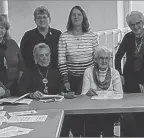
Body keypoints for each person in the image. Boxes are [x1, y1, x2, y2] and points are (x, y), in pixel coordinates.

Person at [114, 11, 144, 137]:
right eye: (132, 24)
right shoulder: (128, 37)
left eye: (138, 23)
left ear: (143, 22)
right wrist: (119, 74)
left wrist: (143, 83)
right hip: (129, 78)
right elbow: (118, 57)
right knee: (130, 110)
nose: (135, 27)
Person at [58, 5, 98, 137]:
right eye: (73, 15)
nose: (76, 17)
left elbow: (96, 58)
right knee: (74, 111)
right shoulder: (64, 37)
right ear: (70, 18)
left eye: (79, 14)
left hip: (88, 77)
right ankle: (76, 134)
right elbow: (62, 60)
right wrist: (65, 79)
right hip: (72, 78)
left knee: (88, 109)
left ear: (83, 17)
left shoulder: (92, 36)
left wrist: (95, 78)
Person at [81, 46, 122, 137]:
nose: (104, 61)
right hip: (92, 111)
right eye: (101, 58)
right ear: (96, 59)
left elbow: (119, 94)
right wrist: (88, 93)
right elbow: (83, 95)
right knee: (93, 122)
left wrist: (99, 94)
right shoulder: (88, 72)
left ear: (109, 60)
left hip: (109, 110)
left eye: (106, 58)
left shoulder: (114, 73)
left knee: (107, 120)